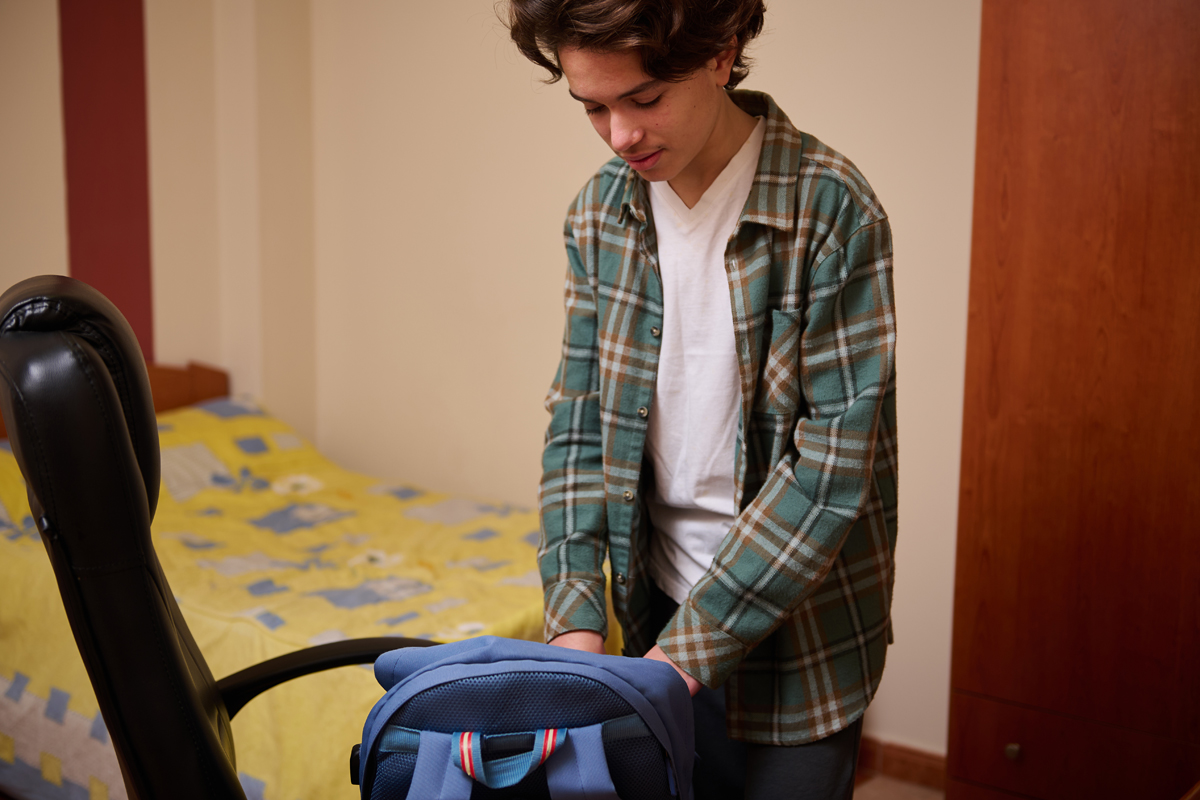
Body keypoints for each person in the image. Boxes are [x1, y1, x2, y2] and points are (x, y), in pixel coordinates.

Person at [506, 2, 898, 797]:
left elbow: (828, 472)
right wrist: (577, 619)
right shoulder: (599, 215)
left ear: (721, 55)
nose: (621, 135)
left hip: (803, 649)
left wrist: (681, 660)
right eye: (593, 107)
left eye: (644, 99)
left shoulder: (830, 209)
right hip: (654, 612)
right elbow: (578, 428)